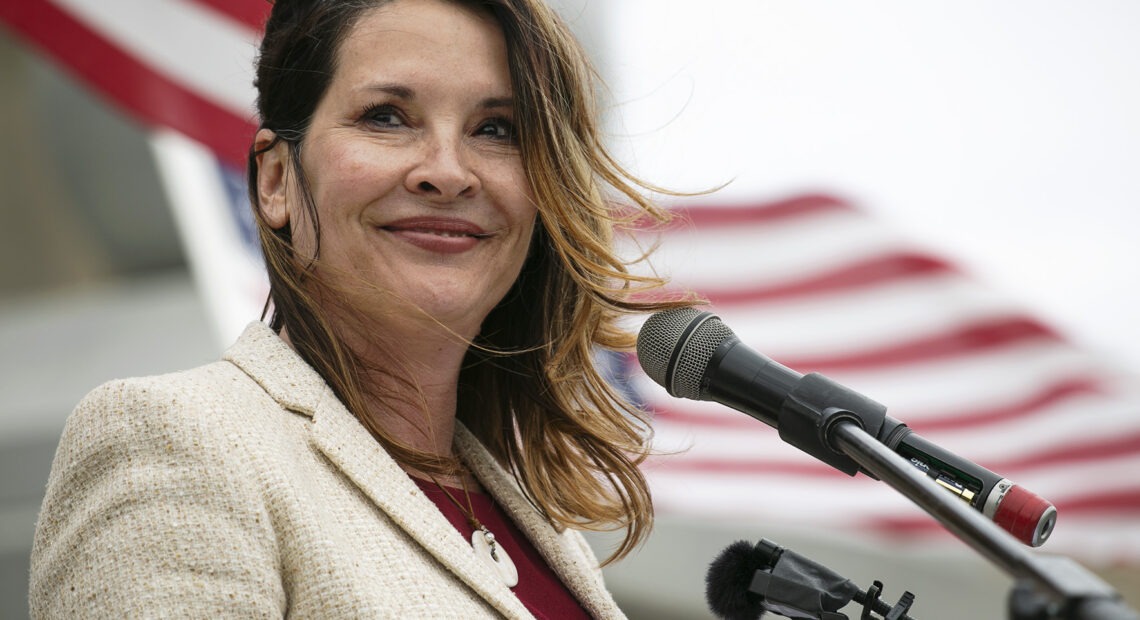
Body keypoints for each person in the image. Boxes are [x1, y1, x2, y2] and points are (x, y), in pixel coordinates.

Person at [29, 0, 690, 617]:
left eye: (495, 129)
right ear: (276, 180)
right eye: (386, 117)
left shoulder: (541, 528)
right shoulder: (173, 440)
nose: (448, 171)